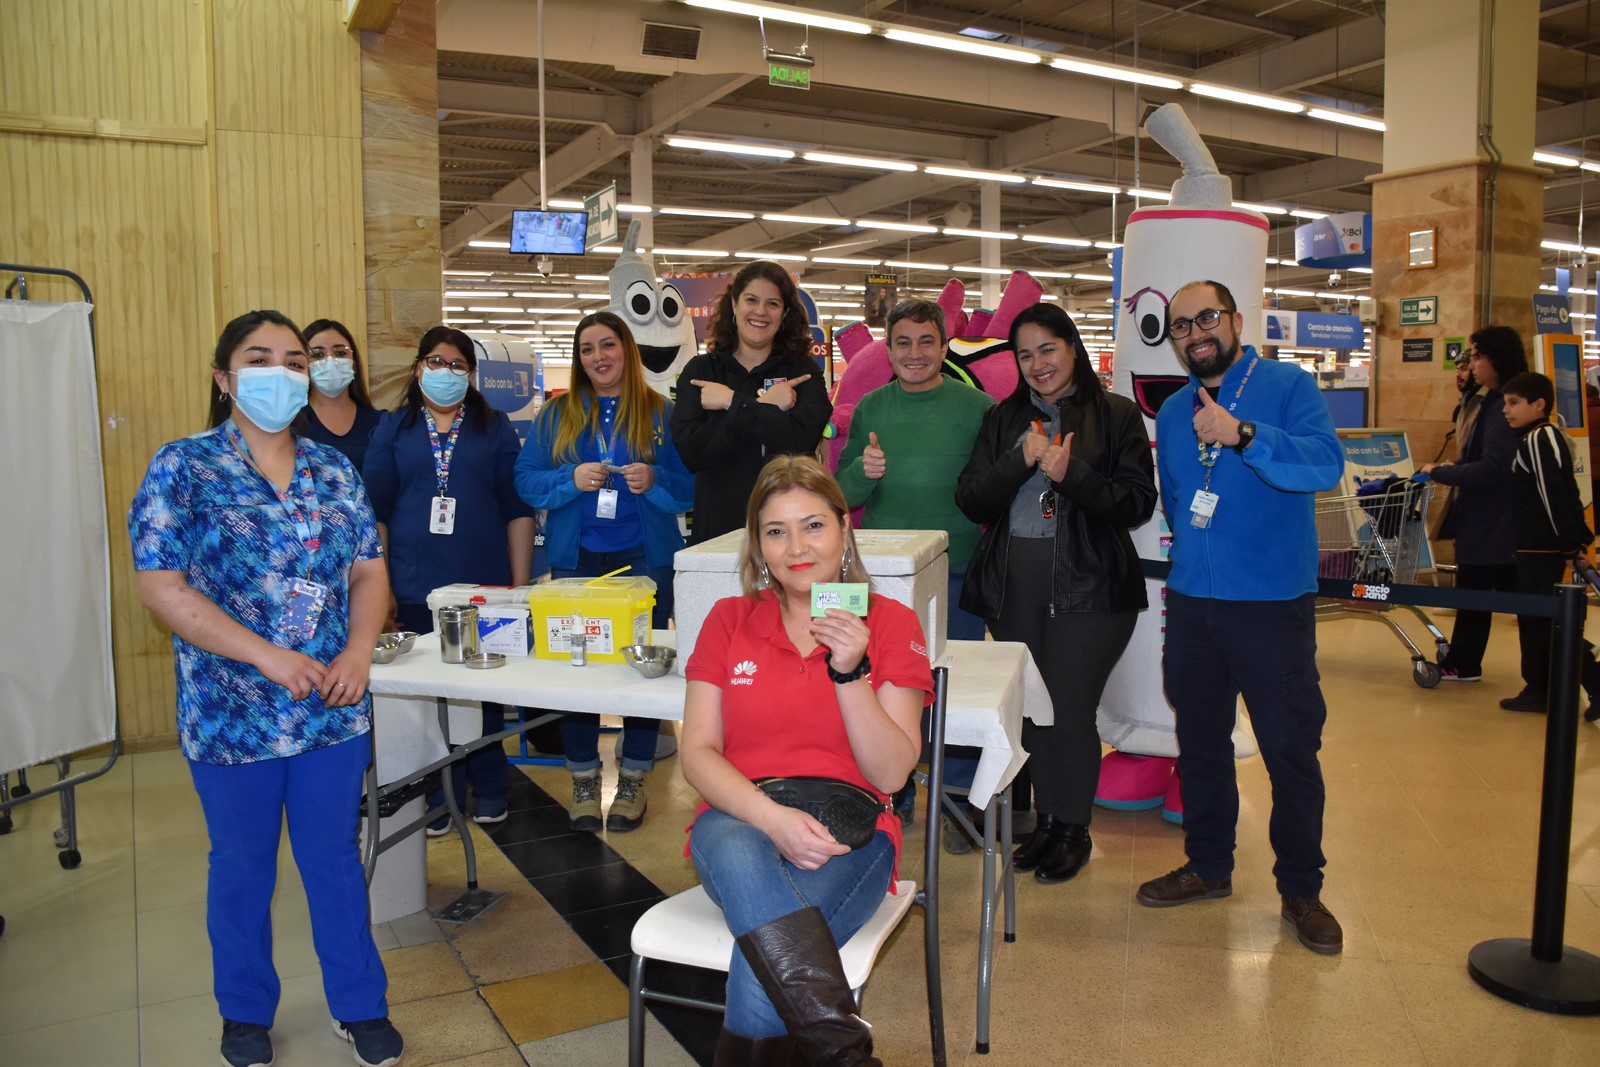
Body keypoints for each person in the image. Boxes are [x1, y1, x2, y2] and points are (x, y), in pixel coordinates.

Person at [129, 310, 404, 1067]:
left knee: (333, 860)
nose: (279, 373)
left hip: (330, 713)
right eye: (259, 358)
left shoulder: (333, 471)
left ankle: (360, 1002)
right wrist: (267, 656)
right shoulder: (183, 467)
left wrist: (357, 652)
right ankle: (245, 1011)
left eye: (292, 360)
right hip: (230, 716)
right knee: (242, 867)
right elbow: (162, 585)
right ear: (224, 378)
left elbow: (369, 570)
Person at [682, 455, 932, 1066]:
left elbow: (892, 774)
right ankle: (846, 1055)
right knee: (742, 850)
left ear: (845, 531)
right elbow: (697, 752)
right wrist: (772, 818)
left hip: (853, 832)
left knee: (761, 957)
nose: (797, 546)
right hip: (738, 815)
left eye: (813, 525)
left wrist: (851, 672)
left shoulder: (890, 624)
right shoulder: (729, 619)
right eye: (776, 531)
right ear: (758, 546)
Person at [1135, 280, 1345, 955]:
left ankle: (1301, 888)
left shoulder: (1287, 387)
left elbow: (1323, 464)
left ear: (1235, 320)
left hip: (1272, 606)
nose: (1196, 332)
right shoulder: (1170, 410)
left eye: (1207, 317)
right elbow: (1176, 495)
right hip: (1195, 603)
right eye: (1181, 325)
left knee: (1290, 749)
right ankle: (1208, 865)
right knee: (1200, 741)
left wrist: (1242, 434)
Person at [955, 303, 1156, 884]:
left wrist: (1073, 476)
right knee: (1032, 710)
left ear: (1072, 347)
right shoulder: (1002, 419)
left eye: (1048, 348)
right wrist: (1019, 462)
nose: (1038, 363)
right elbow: (972, 499)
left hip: (1091, 586)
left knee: (1069, 710)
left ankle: (1073, 828)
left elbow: (1136, 503)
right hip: (1016, 581)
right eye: (1025, 354)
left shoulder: (1115, 415)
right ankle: (1046, 823)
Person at [514, 311, 694, 830]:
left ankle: (634, 778)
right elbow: (526, 481)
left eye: (608, 345)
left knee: (642, 672)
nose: (599, 356)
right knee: (577, 670)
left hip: (646, 560)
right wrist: (570, 479)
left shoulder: (662, 413)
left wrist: (654, 478)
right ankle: (584, 779)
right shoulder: (556, 416)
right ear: (579, 358)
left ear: (627, 351)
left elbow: (691, 487)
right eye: (588, 348)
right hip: (576, 563)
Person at [835, 297, 996, 854]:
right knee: (889, 685)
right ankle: (893, 791)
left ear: (945, 345)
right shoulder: (872, 409)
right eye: (903, 342)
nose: (916, 353)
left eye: (927, 341)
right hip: (887, 578)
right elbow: (844, 494)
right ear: (888, 349)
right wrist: (863, 470)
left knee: (955, 685)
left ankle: (954, 797)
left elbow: (992, 487)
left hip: (958, 568)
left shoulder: (978, 407)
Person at [363, 326, 535, 830]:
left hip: (484, 586)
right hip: (414, 585)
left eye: (458, 365)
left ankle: (489, 786)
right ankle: (439, 798)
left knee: (480, 696)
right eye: (435, 363)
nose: (446, 373)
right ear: (419, 369)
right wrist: (382, 588)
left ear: (472, 374)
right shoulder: (394, 428)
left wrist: (519, 587)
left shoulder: (494, 426)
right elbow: (376, 512)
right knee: (425, 697)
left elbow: (517, 508)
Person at [671, 260, 833, 545]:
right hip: (718, 531)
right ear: (734, 304)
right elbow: (693, 453)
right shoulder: (700, 372)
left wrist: (731, 402)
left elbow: (800, 441)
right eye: (751, 300)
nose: (761, 311)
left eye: (773, 303)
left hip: (789, 532)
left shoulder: (803, 371)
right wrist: (767, 408)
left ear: (784, 313)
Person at [1420, 326, 1527, 682]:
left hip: (1492, 521)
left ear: (1496, 359)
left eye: (1478, 356)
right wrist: (1458, 466)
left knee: (1481, 594)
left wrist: (1444, 473)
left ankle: (1465, 663)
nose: (1472, 364)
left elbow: (1496, 466)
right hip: (1496, 523)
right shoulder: (1494, 398)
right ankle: (1466, 661)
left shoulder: (1502, 404)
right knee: (1492, 596)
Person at [1496, 371, 1600, 717]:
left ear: (1538, 405)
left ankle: (1590, 683)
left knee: (1545, 622)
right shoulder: (1536, 438)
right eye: (1506, 403)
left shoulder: (1540, 439)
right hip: (1535, 547)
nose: (1507, 411)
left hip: (1543, 549)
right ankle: (1540, 687)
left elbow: (1554, 494)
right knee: (1535, 621)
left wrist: (1571, 545)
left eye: (1514, 403)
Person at [301, 318, 382, 472]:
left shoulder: (380, 424)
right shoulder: (292, 423)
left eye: (340, 353)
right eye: (318, 355)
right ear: (303, 364)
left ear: (354, 362)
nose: (330, 360)